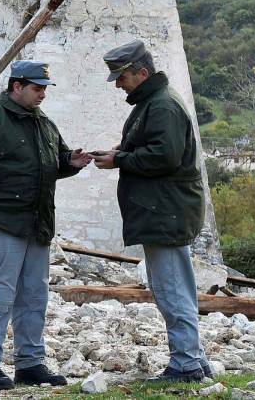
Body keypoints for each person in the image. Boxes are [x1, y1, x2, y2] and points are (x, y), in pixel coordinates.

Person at [0, 61, 91, 390]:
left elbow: (53, 163)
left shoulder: (44, 124)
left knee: (33, 297)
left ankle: (29, 363)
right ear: (17, 86)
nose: (43, 94)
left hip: (37, 224)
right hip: (1, 222)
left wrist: (71, 162)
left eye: (44, 88)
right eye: (37, 88)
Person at [92, 40, 210, 383]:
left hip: (164, 211)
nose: (118, 84)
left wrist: (120, 159)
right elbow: (157, 145)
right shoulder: (155, 101)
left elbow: (164, 157)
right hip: (165, 209)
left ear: (142, 73)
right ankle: (195, 359)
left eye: (122, 77)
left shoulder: (162, 106)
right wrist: (125, 148)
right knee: (175, 287)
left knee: (171, 288)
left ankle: (186, 365)